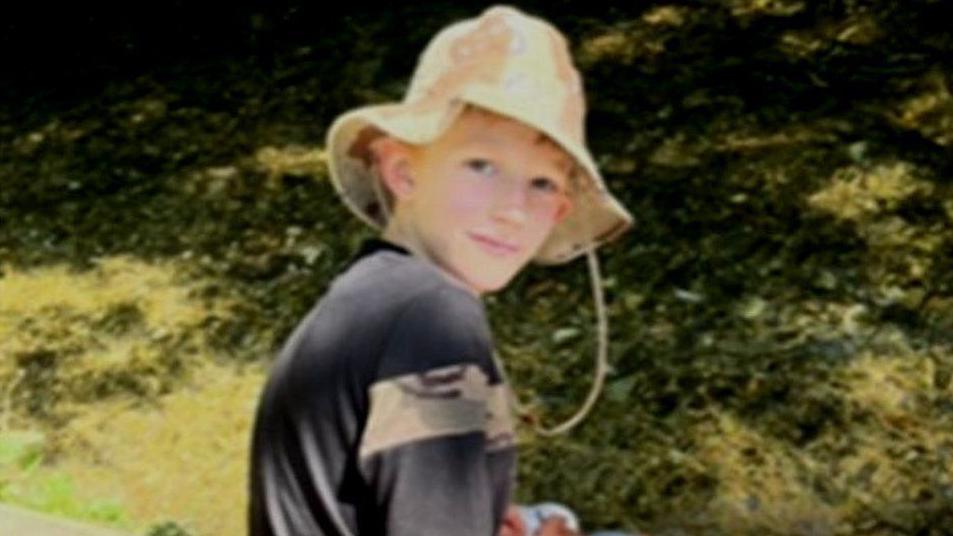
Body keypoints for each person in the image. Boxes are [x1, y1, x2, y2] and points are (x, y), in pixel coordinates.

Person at [247, 5, 633, 536]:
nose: (512, 209)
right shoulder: (431, 318)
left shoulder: (374, 296)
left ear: (560, 210)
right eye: (481, 165)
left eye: (542, 184)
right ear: (402, 170)